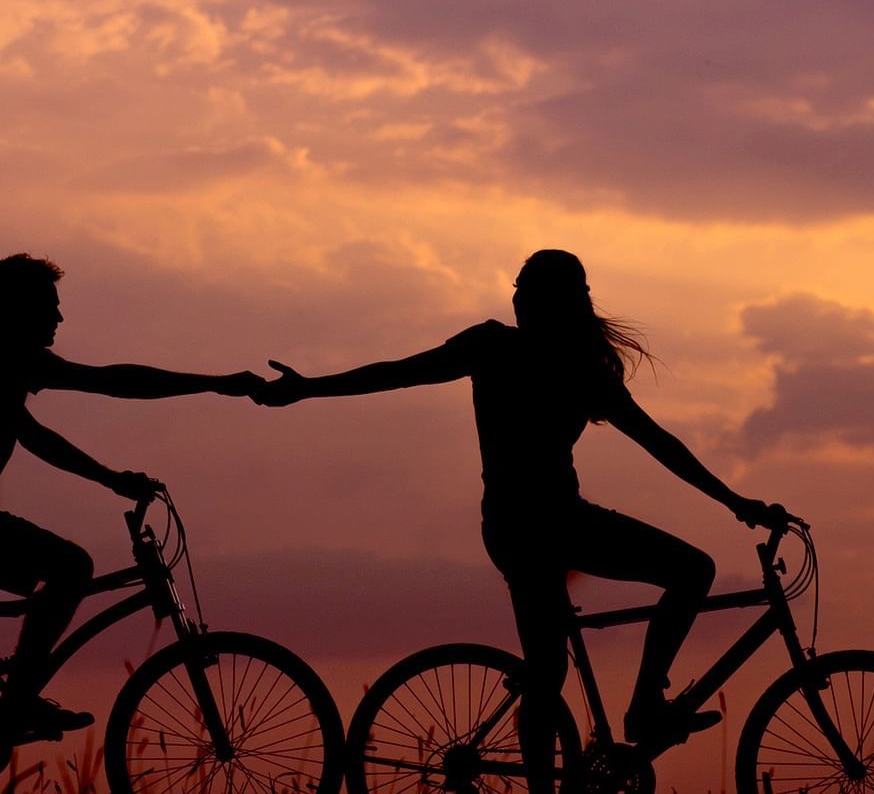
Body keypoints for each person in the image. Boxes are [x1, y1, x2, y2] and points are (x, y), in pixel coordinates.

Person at [253, 248, 794, 794]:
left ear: (553, 300)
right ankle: (644, 708)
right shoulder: (512, 350)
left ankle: (619, 727)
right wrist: (310, 388)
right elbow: (398, 374)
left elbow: (659, 442)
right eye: (516, 288)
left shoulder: (556, 362)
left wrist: (734, 501)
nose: (515, 298)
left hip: (534, 524)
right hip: (540, 525)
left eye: (525, 288)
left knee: (554, 665)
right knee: (679, 579)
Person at [0, 253, 263, 740]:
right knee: (70, 568)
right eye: (49, 306)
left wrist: (110, 478)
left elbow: (35, 436)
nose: (59, 318)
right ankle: (15, 704)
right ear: (18, 308)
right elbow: (110, 382)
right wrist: (217, 385)